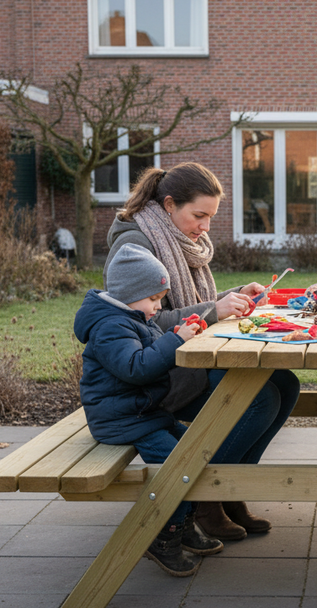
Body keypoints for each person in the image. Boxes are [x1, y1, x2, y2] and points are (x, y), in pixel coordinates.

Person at [104, 162, 300, 542]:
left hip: (183, 360)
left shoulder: (174, 238)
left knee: (285, 383)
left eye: (211, 216)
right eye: (199, 215)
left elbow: (189, 303)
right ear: (169, 204)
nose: (205, 227)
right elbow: (141, 323)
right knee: (259, 397)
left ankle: (230, 491)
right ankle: (206, 497)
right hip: (154, 376)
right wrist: (212, 311)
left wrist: (232, 296)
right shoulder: (135, 244)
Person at [74, 243, 224, 577]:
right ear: (130, 293)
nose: (158, 307)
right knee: (178, 465)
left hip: (143, 412)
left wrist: (173, 335)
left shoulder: (131, 316)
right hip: (123, 419)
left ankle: (182, 524)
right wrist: (175, 340)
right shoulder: (111, 327)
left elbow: (149, 351)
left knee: (196, 451)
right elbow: (136, 368)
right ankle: (163, 535)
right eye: (154, 299)